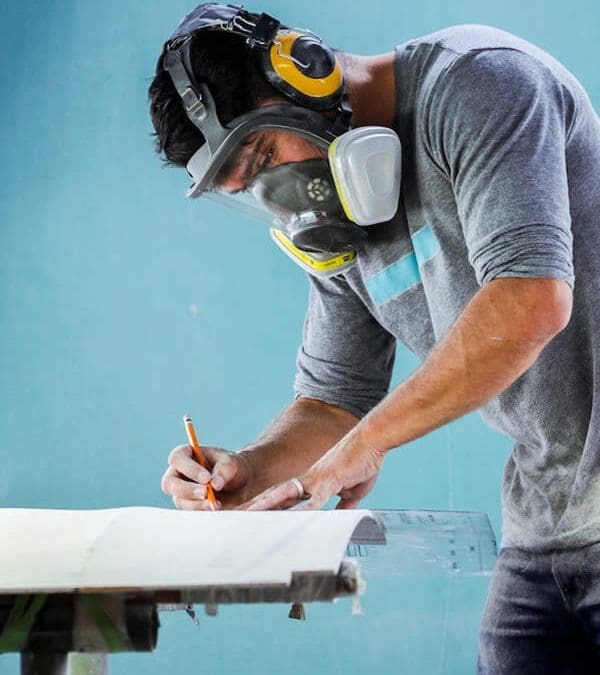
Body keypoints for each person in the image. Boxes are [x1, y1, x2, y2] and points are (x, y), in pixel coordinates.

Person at [148, 3, 600, 672]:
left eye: (266, 154)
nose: (279, 196)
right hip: (547, 519)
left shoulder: (480, 84)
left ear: (305, 74)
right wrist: (247, 471)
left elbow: (529, 300)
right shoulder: (333, 222)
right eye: (248, 188)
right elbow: (334, 401)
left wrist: (368, 444)